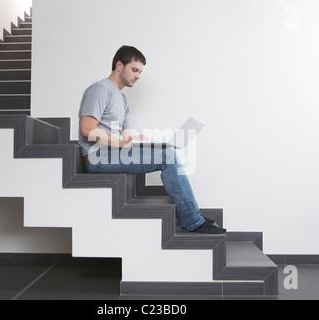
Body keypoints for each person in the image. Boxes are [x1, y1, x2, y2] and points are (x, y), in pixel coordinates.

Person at [78, 45, 226, 234]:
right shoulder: (100, 89)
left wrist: (142, 141)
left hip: (112, 153)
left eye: (140, 72)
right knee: (168, 156)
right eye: (134, 70)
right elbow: (87, 129)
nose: (138, 76)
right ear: (119, 65)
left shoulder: (122, 100)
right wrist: (123, 143)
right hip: (96, 156)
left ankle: (191, 215)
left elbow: (126, 135)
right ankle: (192, 221)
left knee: (167, 151)